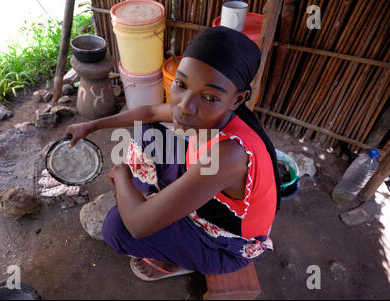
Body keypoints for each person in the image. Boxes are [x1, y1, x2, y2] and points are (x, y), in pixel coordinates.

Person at [64, 26, 281, 281]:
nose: (185, 105)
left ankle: (184, 260)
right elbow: (151, 113)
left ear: (237, 99)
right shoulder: (217, 114)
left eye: (209, 97)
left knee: (117, 227)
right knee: (147, 132)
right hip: (205, 187)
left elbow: (138, 225)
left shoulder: (230, 155)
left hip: (224, 243)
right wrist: (92, 125)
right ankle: (165, 205)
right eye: (181, 84)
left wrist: (122, 173)